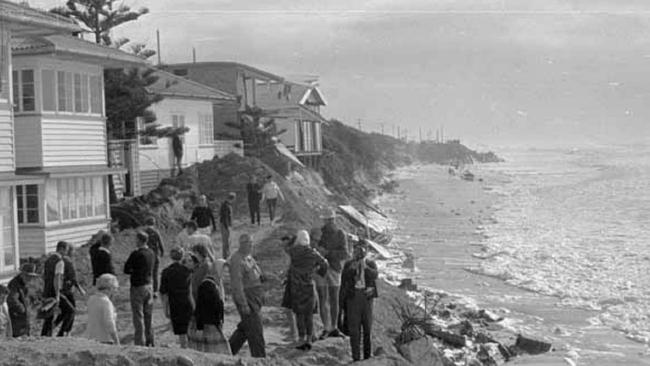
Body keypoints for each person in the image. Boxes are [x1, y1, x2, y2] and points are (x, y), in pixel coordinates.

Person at [286, 230, 328, 350]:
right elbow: (325, 264)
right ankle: (309, 338)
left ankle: (301, 338)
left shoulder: (293, 252)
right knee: (308, 315)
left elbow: (287, 247)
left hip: (295, 287)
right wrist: (317, 271)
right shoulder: (312, 253)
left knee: (299, 314)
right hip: (308, 286)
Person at [228, 234, 266, 358]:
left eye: (251, 243)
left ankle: (228, 351)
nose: (250, 245)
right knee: (255, 329)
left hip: (255, 297)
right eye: (247, 243)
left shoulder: (248, 257)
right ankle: (259, 358)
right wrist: (243, 304)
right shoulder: (237, 259)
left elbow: (257, 274)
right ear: (241, 244)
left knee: (246, 327)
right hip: (247, 298)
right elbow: (236, 285)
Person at [341, 239, 378, 362]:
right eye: (357, 249)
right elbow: (344, 277)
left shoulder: (371, 263)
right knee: (354, 328)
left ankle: (367, 356)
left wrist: (366, 268)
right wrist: (352, 268)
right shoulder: (349, 264)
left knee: (367, 328)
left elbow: (375, 275)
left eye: (363, 249)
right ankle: (355, 357)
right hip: (353, 297)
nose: (360, 252)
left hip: (366, 297)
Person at [316, 208, 349, 338]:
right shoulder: (320, 233)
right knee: (323, 298)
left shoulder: (341, 234)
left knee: (334, 299)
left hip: (334, 269)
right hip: (322, 269)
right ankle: (327, 327)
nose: (327, 222)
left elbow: (345, 254)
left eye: (328, 220)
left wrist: (328, 253)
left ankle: (333, 327)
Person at [124, 231, 155, 346]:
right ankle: (150, 339)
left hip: (137, 286)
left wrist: (134, 270)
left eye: (136, 239)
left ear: (139, 240)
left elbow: (126, 269)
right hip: (149, 285)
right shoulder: (151, 252)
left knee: (138, 316)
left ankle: (139, 342)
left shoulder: (136, 254)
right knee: (148, 315)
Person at [160, 247, 194, 348]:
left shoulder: (166, 272)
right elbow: (190, 289)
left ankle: (185, 349)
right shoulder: (187, 271)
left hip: (175, 303)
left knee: (181, 333)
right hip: (187, 301)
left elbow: (163, 293)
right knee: (189, 328)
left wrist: (165, 308)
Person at [194, 261, 231, 354]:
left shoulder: (216, 284)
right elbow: (200, 307)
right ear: (217, 270)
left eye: (227, 272)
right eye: (224, 271)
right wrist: (200, 327)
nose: (226, 275)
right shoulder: (207, 285)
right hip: (209, 325)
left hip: (214, 324)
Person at [42, 241, 76, 337]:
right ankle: (62, 333)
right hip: (54, 291)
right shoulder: (59, 261)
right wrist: (57, 294)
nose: (66, 252)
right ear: (61, 249)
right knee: (71, 310)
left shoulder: (49, 260)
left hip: (47, 290)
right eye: (66, 250)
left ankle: (45, 335)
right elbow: (57, 278)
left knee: (49, 316)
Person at [85, 274, 120, 345]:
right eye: (115, 288)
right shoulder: (106, 302)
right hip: (104, 339)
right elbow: (109, 323)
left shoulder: (91, 299)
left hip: (90, 338)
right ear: (110, 288)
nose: (116, 291)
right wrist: (116, 340)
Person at [7, 263, 39, 337]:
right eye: (28, 276)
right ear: (22, 274)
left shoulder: (25, 283)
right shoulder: (14, 284)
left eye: (31, 277)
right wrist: (24, 310)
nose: (30, 279)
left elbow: (29, 297)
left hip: (24, 321)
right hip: (16, 319)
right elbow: (12, 300)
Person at [143, 217, 165, 296]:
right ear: (154, 223)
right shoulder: (156, 232)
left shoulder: (144, 232)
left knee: (146, 272)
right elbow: (160, 242)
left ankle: (147, 289)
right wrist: (162, 251)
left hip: (146, 254)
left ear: (146, 223)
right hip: (155, 254)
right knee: (155, 274)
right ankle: (155, 291)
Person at [219, 192, 236, 259]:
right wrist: (227, 227)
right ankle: (225, 256)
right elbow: (225, 217)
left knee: (228, 241)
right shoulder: (225, 205)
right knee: (226, 241)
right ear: (232, 198)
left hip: (227, 225)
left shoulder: (227, 205)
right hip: (225, 225)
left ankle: (227, 254)